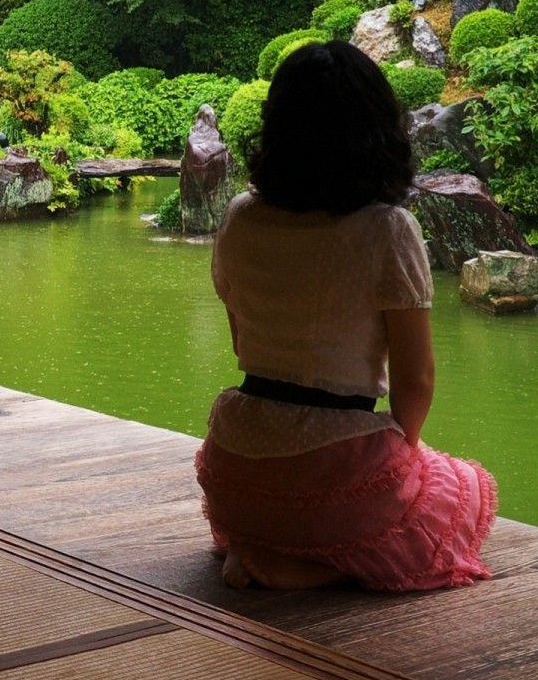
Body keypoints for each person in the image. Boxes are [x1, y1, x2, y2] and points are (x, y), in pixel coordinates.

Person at [196, 40, 497, 592]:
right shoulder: (387, 229)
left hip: (238, 474)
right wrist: (391, 461)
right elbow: (416, 379)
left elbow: (244, 344)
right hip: (336, 471)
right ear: (378, 128)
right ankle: (321, 566)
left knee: (326, 490)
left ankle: (267, 548)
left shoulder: (241, 217)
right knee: (464, 486)